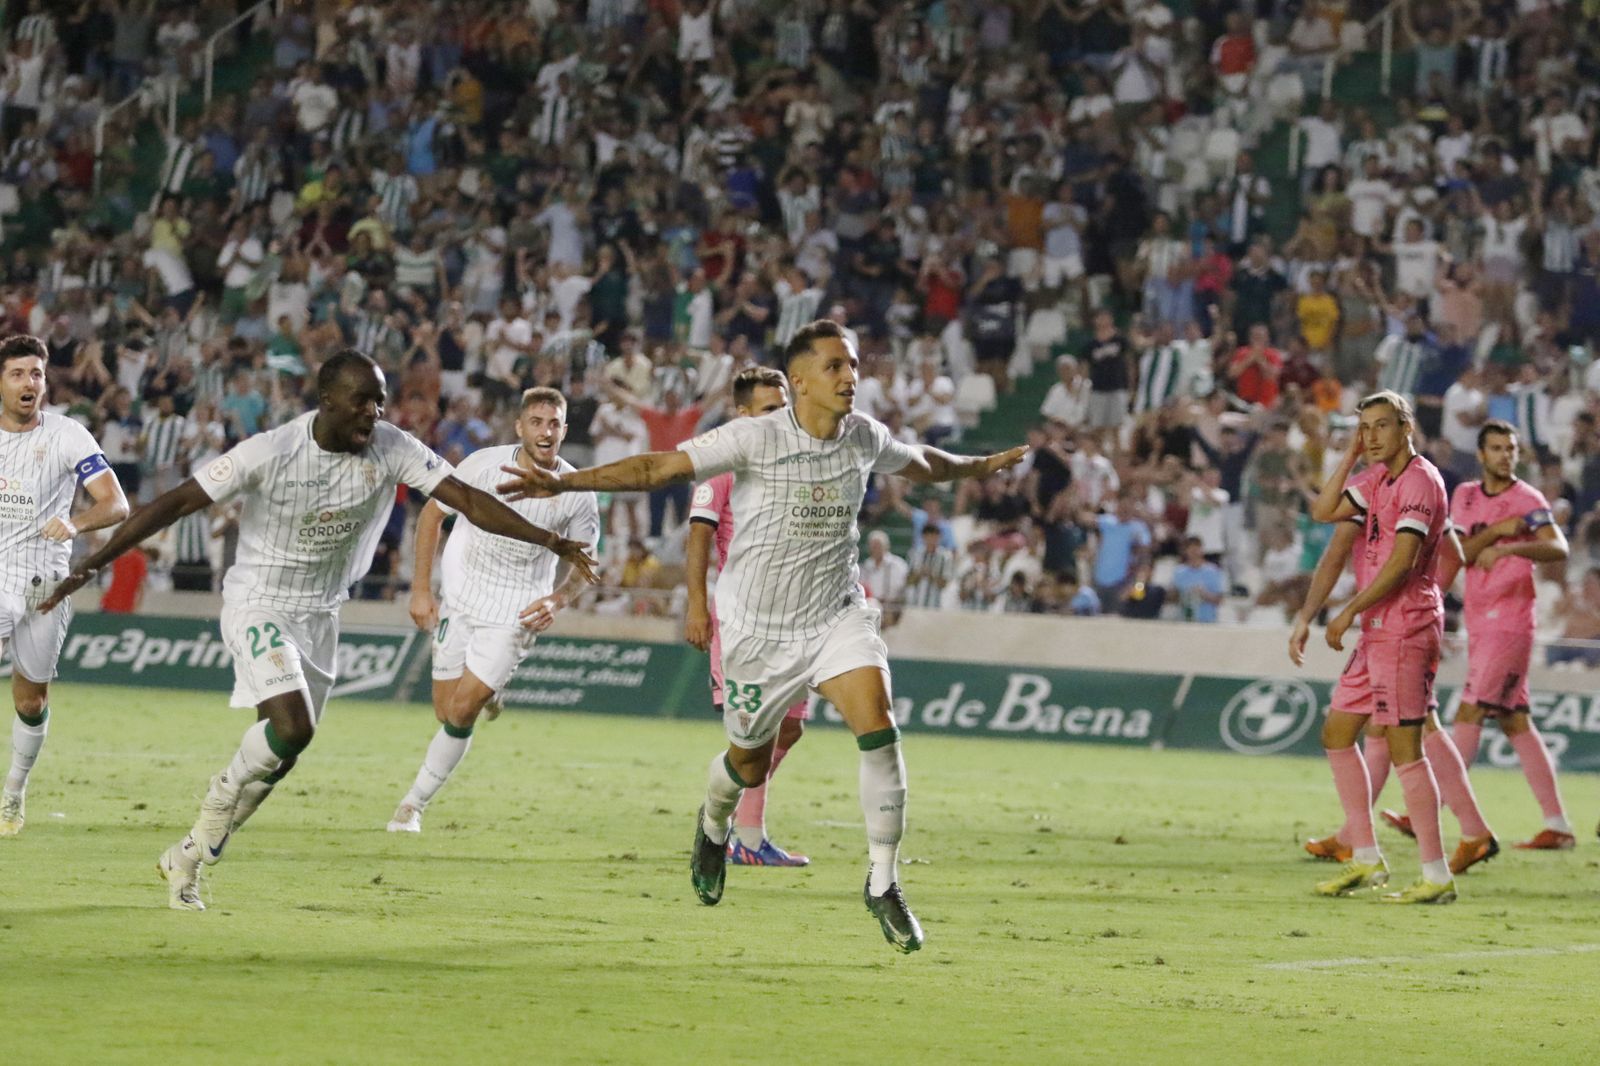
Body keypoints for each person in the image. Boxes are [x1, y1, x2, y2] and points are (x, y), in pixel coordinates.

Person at [497, 320, 1027, 952]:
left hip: (835, 615)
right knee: (747, 764)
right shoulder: (753, 437)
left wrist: (978, 466)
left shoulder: (863, 435)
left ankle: (884, 882)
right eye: (834, 366)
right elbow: (657, 467)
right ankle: (713, 823)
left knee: (880, 730)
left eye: (853, 365)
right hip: (757, 631)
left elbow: (924, 464)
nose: (850, 377)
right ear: (799, 380)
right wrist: (565, 480)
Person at [41, 351, 598, 910]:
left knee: (281, 757)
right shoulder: (270, 451)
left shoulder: (393, 446)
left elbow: (470, 501)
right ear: (327, 399)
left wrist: (552, 541)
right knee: (293, 726)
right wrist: (91, 565)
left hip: (322, 615)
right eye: (362, 401)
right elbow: (173, 503)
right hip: (260, 602)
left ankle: (188, 856)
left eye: (380, 401)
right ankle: (217, 799)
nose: (373, 413)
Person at [1290, 390, 1482, 904]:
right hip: (1378, 628)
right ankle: (1366, 857)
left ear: (1406, 427)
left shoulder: (1421, 480)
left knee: (1405, 749)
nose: (1372, 436)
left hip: (1405, 627)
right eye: (1364, 427)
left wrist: (1349, 610)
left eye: (1381, 426)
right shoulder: (1376, 477)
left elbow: (1402, 562)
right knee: (1337, 732)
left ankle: (1436, 875)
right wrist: (1350, 455)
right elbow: (1322, 510)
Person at [387, 386, 600, 834]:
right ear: (520, 427)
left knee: (463, 712)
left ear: (564, 430)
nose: (546, 432)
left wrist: (557, 599)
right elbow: (432, 515)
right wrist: (420, 590)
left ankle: (412, 805)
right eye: (537, 423)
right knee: (446, 712)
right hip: (461, 596)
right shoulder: (482, 464)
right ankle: (491, 690)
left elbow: (586, 562)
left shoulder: (577, 492)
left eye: (554, 424)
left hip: (516, 611)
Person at [0, 335, 131, 837]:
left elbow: (116, 504)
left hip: (44, 585)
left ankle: (14, 791)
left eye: (36, 373)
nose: (29, 383)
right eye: (17, 373)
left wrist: (76, 523)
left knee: (30, 702)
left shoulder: (68, 435)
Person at [685, 366, 808, 867]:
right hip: (744, 620)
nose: (781, 418)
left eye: (785, 408)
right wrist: (697, 606)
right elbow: (698, 537)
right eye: (769, 410)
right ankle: (743, 835)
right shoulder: (722, 469)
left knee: (791, 728)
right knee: (757, 733)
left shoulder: (797, 468)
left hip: (796, 618)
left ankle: (737, 818)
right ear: (742, 415)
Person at [1438, 421, 1576, 848]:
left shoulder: (1528, 499)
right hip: (1480, 618)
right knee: (1516, 722)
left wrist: (1513, 547)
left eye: (1510, 449)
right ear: (1481, 454)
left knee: (1470, 712)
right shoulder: (1465, 495)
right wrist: (1498, 532)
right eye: (1496, 448)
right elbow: (1460, 553)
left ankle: (1432, 806)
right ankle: (1558, 826)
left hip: (1511, 620)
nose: (1505, 455)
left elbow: (1558, 547)